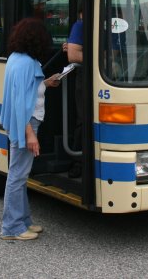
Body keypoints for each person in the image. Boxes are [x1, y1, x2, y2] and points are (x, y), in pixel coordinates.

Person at [0, 18, 60, 241]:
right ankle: (11, 227)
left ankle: (23, 220)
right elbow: (20, 102)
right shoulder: (27, 64)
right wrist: (30, 133)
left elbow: (25, 91)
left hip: (21, 122)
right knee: (17, 175)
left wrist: (47, 81)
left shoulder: (16, 59)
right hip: (26, 123)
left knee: (20, 174)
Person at [65, 9, 84, 178]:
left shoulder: (113, 25)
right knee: (83, 119)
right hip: (85, 80)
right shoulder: (80, 26)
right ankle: (78, 162)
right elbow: (73, 54)